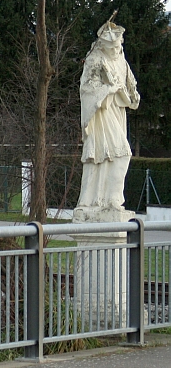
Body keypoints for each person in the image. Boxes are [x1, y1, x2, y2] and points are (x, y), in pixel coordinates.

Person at [74, 20, 140, 222]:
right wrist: (109, 89)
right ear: (102, 45)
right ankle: (107, 200)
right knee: (118, 153)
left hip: (117, 112)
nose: (115, 50)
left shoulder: (121, 59)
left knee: (109, 156)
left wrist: (130, 94)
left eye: (118, 46)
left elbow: (131, 87)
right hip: (101, 113)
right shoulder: (95, 59)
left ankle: (108, 201)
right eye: (111, 47)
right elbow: (86, 88)